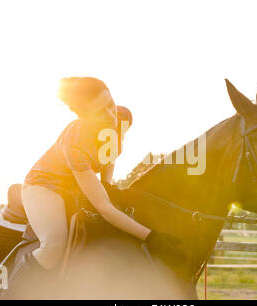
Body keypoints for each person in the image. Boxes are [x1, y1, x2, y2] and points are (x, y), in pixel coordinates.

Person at [11, 77, 181, 283]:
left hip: (77, 186)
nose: (112, 116)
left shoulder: (122, 117)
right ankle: (13, 291)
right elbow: (104, 208)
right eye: (101, 113)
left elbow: (110, 153)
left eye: (111, 104)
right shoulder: (75, 144)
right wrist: (152, 238)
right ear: (84, 118)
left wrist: (107, 184)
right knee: (54, 247)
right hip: (44, 186)